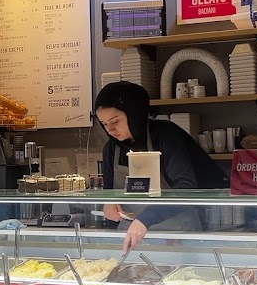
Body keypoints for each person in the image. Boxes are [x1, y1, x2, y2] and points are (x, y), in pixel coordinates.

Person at [94, 81, 228, 252]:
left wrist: (146, 219)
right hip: (133, 237)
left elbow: (186, 188)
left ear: (133, 114)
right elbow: (109, 190)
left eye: (115, 121)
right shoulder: (111, 149)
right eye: (104, 124)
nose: (110, 130)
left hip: (177, 235)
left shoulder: (166, 136)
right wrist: (109, 203)